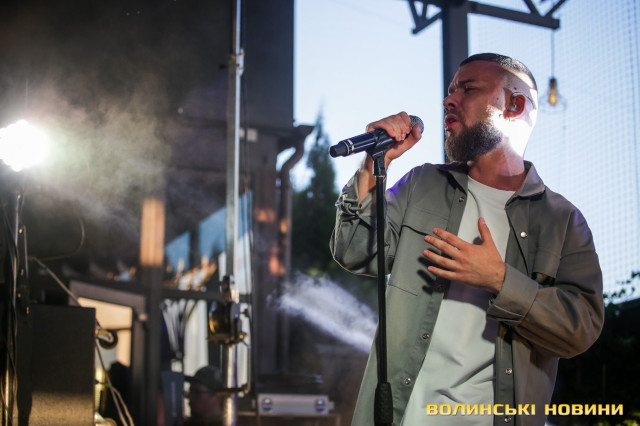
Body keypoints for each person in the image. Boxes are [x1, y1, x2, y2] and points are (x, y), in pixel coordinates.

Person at [330, 53, 604, 426]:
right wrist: (373, 165)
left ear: (514, 105)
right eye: (449, 91)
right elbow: (353, 250)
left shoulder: (562, 220)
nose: (449, 99)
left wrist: (500, 281)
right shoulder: (422, 184)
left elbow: (580, 329)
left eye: (468, 88)